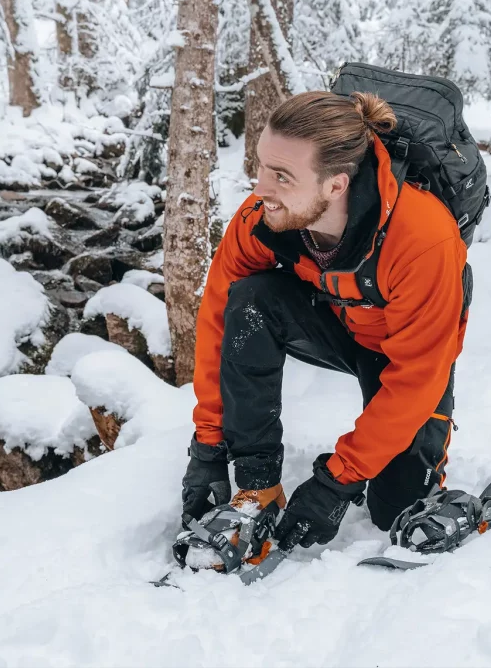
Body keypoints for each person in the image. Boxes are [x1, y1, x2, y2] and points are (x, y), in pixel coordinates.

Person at [179, 90, 469, 562]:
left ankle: (427, 492)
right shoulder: (261, 220)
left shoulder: (424, 240)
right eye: (261, 167)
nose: (259, 189)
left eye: (281, 177)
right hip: (332, 321)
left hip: (401, 349)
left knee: (394, 509)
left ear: (335, 185)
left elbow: (417, 377)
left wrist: (337, 480)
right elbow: (217, 326)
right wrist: (209, 445)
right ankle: (259, 485)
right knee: (250, 300)